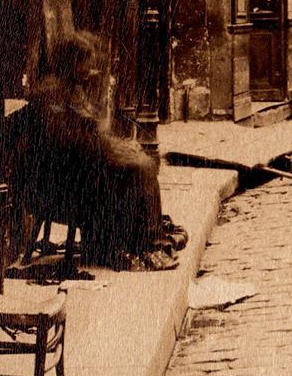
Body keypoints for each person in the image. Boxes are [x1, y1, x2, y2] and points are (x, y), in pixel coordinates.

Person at [23, 31, 182, 271]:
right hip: (57, 184)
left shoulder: (71, 88)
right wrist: (114, 150)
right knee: (139, 168)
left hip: (77, 171)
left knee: (141, 164)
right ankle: (136, 245)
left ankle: (144, 243)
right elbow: (72, 142)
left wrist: (116, 146)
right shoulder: (50, 92)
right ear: (73, 62)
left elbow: (89, 135)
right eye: (86, 64)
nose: (90, 70)